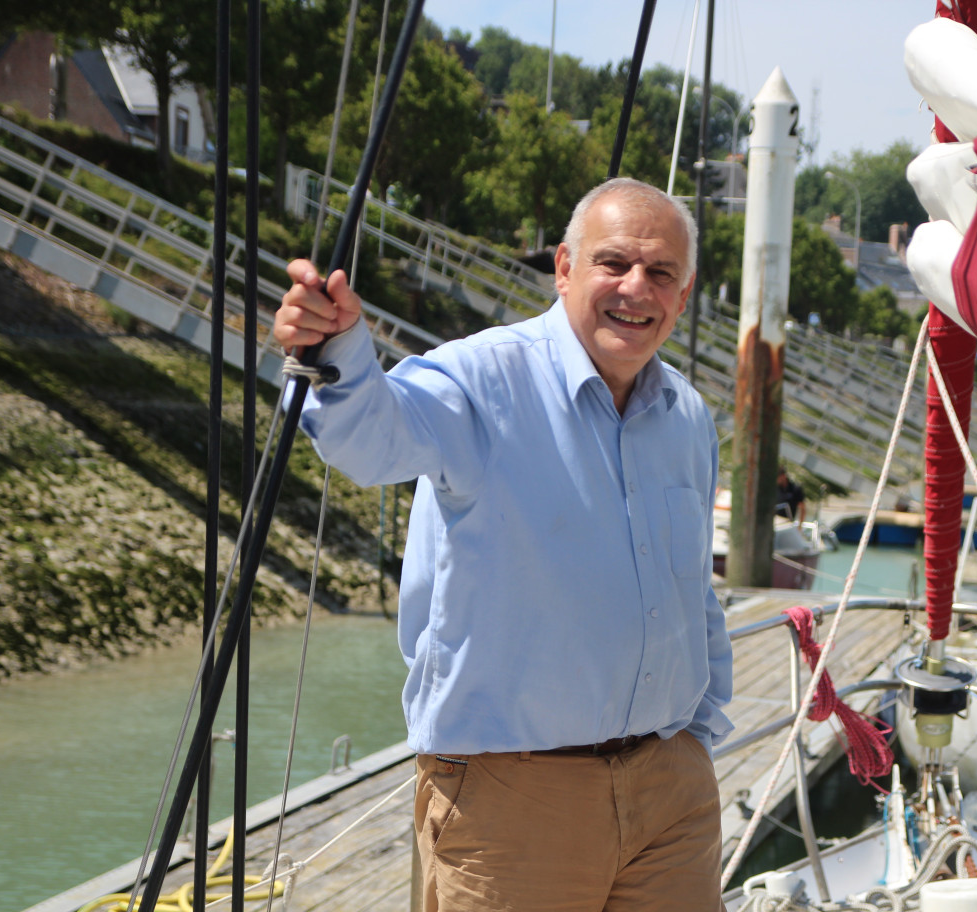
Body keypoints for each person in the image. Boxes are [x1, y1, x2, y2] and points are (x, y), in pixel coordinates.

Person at [273, 177, 733, 911]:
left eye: (661, 272)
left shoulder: (688, 414)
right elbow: (372, 438)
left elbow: (692, 594)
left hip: (670, 794)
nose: (636, 288)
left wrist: (698, 740)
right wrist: (336, 350)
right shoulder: (481, 378)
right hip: (514, 800)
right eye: (613, 262)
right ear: (563, 268)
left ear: (685, 293)